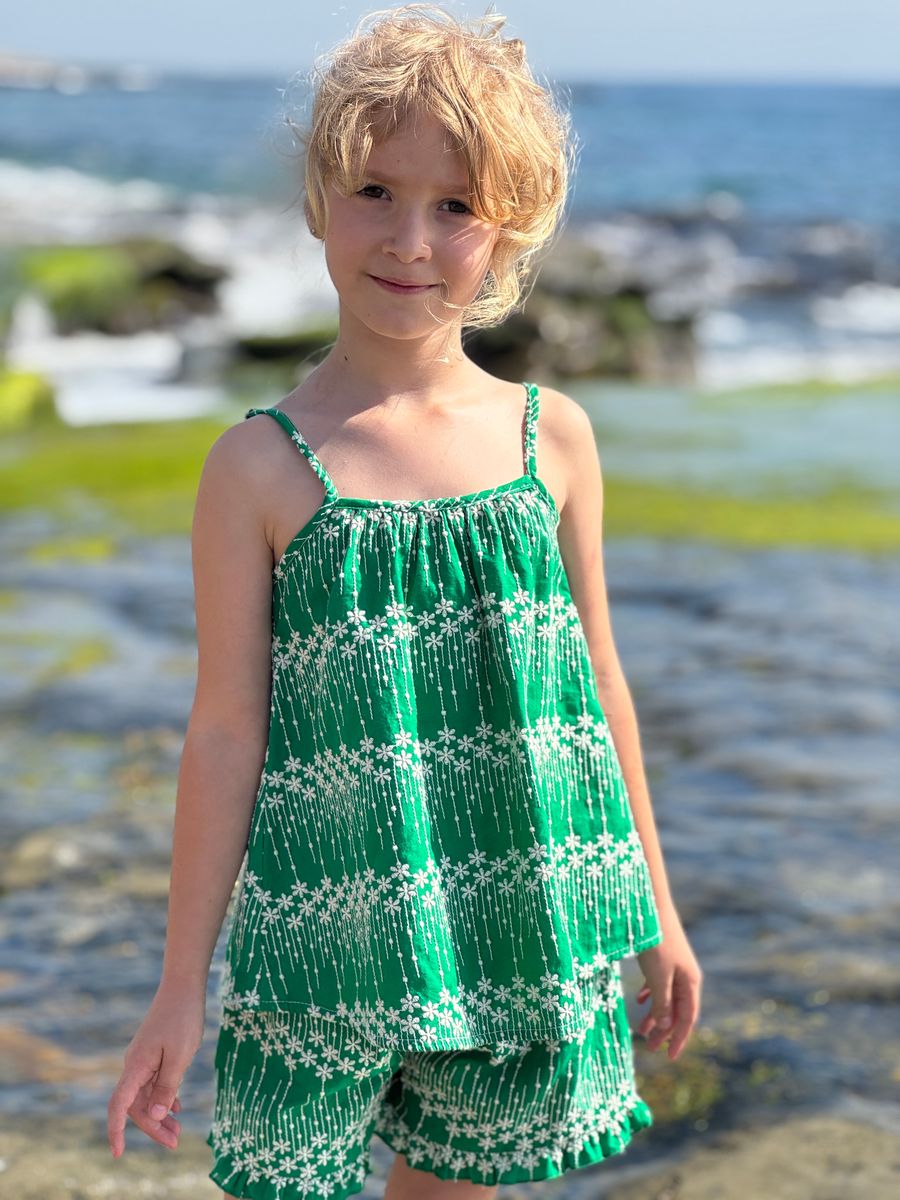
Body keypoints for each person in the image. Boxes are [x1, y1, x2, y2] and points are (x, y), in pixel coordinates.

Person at [106, 4, 702, 1197]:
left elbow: (597, 687)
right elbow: (225, 731)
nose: (411, 240)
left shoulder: (554, 441)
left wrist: (656, 910)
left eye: (457, 207)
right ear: (319, 197)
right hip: (324, 945)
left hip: (520, 918)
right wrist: (180, 986)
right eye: (376, 191)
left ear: (510, 230)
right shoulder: (260, 467)